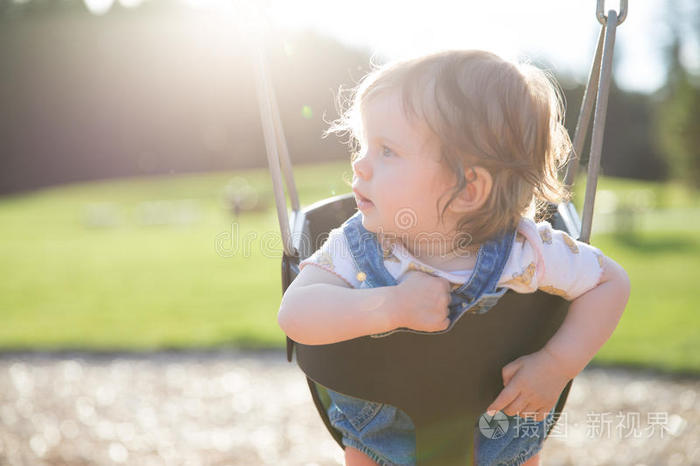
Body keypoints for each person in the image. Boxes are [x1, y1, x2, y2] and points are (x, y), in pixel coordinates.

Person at [277, 49, 631, 465]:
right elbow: (296, 313)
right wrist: (389, 305)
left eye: (387, 150)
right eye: (363, 144)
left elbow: (610, 282)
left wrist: (555, 365)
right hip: (381, 441)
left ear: (469, 189)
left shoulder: (528, 250)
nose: (360, 163)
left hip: (501, 439)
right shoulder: (357, 244)